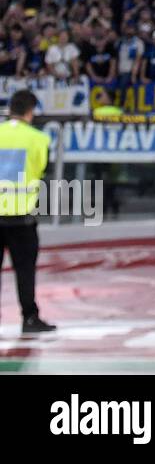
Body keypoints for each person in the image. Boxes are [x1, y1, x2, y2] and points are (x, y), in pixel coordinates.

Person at [0, 90, 57, 334]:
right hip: (21, 219)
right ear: (30, 112)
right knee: (24, 270)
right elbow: (43, 169)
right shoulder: (39, 139)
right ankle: (29, 318)